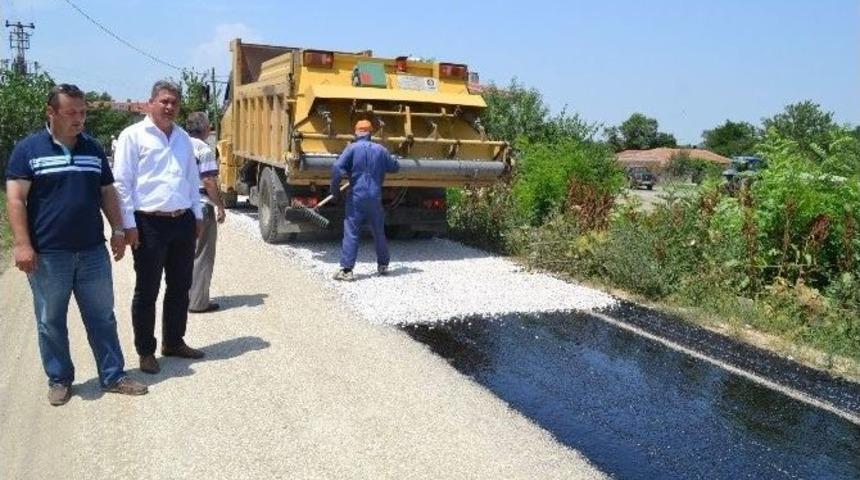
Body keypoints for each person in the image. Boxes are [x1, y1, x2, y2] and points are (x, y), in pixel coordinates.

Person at [4, 83, 148, 405]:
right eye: (71, 113)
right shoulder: (29, 150)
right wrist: (22, 244)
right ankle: (59, 379)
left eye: (82, 112)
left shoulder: (93, 148)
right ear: (51, 113)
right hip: (48, 256)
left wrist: (119, 229)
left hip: (92, 252)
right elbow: (15, 199)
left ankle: (113, 375)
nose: (79, 119)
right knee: (50, 320)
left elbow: (107, 192)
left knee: (102, 317)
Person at [113, 80, 206, 375]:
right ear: (150, 103)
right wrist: (128, 225)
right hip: (148, 223)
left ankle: (174, 341)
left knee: (180, 286)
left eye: (174, 103)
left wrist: (197, 214)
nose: (169, 107)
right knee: (147, 290)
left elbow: (192, 179)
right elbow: (122, 184)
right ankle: (146, 350)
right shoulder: (133, 136)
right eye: (164, 101)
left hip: (182, 222)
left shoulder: (182, 138)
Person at [330, 119, 400, 281]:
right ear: (370, 133)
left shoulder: (351, 149)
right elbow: (395, 167)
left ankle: (347, 270)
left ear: (356, 133)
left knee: (352, 231)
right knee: (378, 231)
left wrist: (335, 191)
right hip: (375, 197)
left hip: (356, 198)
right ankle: (383, 265)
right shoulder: (380, 149)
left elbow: (336, 168)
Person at [185, 112, 226, 313]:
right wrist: (219, 205)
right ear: (205, 129)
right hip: (201, 205)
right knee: (202, 255)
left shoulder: (179, 144)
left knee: (185, 255)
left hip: (181, 206)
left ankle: (183, 297)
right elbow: (209, 181)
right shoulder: (204, 149)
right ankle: (198, 302)